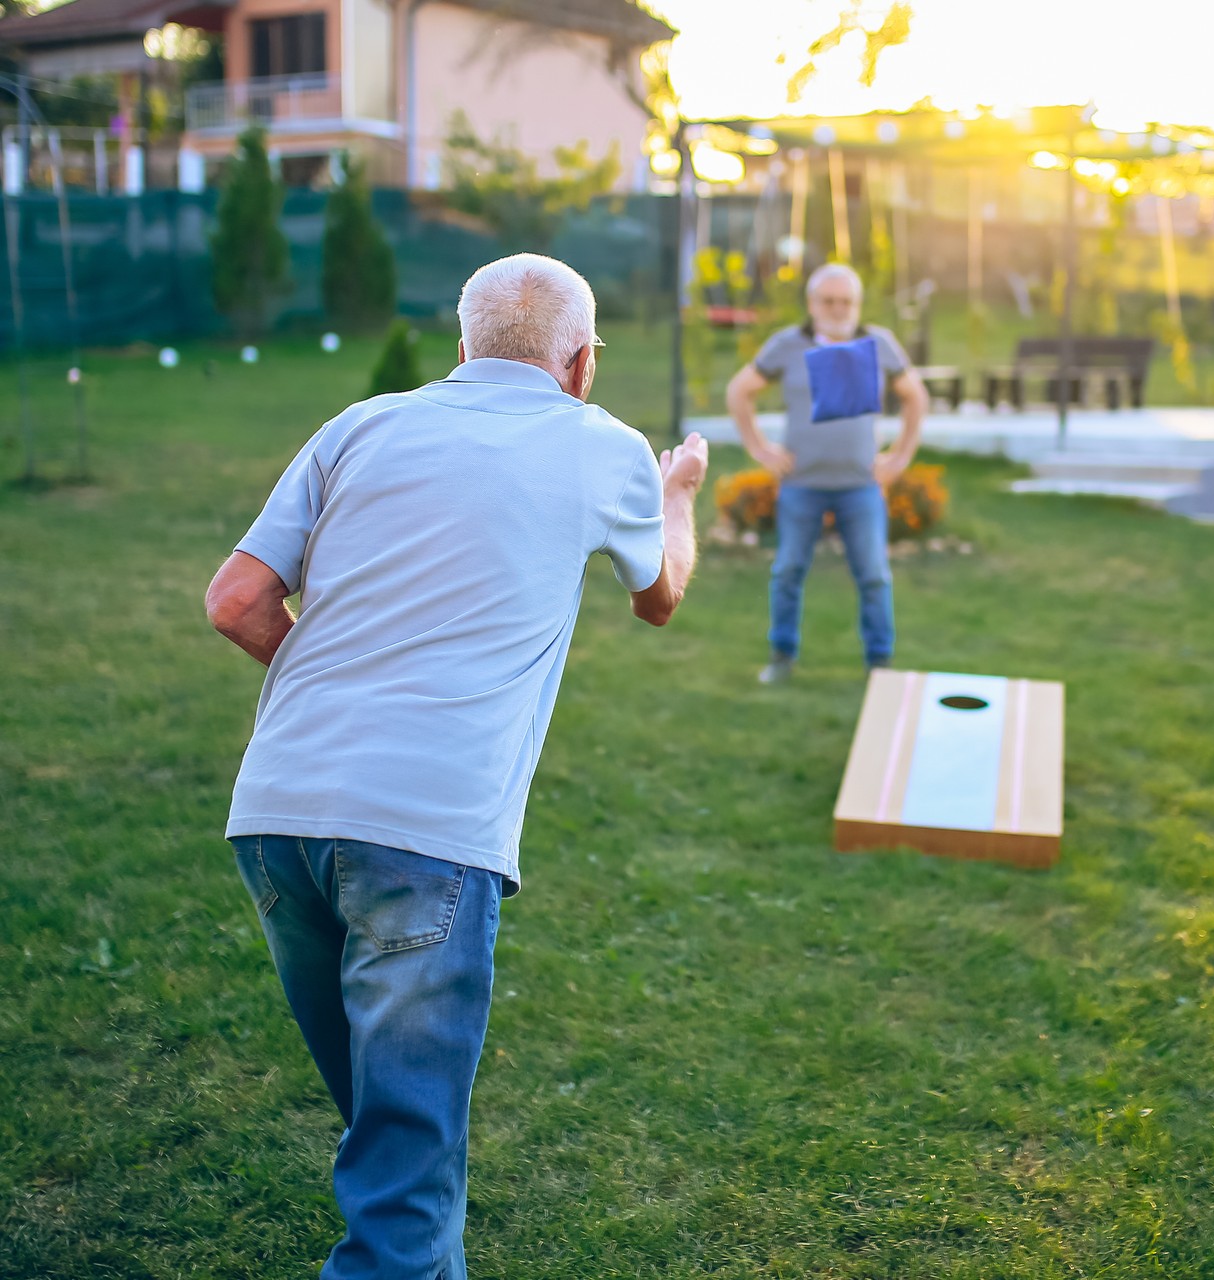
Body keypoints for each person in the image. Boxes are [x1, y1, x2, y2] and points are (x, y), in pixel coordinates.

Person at [203, 253, 707, 1279]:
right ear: (581, 361)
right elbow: (660, 595)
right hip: (425, 835)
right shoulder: (604, 445)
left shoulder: (359, 425)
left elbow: (236, 600)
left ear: (464, 345)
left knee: (393, 1129)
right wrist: (678, 494)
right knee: (403, 1164)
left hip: (276, 818)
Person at [725, 263, 929, 683]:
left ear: (857, 305)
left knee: (874, 576)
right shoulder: (788, 344)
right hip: (802, 484)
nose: (837, 309)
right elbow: (739, 391)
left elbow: (916, 398)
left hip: (861, 486)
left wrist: (900, 456)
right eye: (828, 301)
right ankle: (781, 657)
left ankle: (880, 663)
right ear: (812, 304)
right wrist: (760, 448)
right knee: (787, 573)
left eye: (846, 301)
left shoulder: (877, 342)